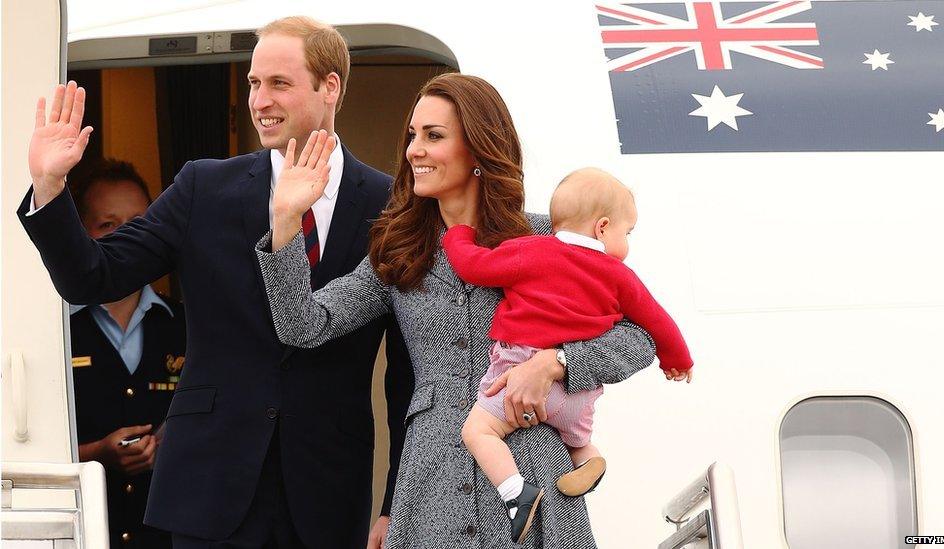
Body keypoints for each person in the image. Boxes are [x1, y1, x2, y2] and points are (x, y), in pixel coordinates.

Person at [18, 16, 413, 549]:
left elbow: (410, 375)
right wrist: (49, 185)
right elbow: (92, 276)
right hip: (210, 488)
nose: (260, 100)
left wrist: (396, 504)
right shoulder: (204, 187)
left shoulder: (389, 206)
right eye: (253, 83)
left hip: (327, 493)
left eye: (279, 83)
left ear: (330, 87)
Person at [256, 73, 657, 548]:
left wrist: (556, 364)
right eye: (412, 136)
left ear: (478, 149)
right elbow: (302, 324)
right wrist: (285, 221)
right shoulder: (400, 251)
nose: (414, 151)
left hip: (534, 469)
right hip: (431, 484)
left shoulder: (548, 238)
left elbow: (640, 337)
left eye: (434, 136)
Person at [443, 167, 694, 542]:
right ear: (603, 227)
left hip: (517, 376)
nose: (627, 244)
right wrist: (678, 359)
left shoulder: (532, 250)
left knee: (478, 430)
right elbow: (656, 321)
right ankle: (587, 458)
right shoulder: (618, 275)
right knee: (574, 439)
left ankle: (516, 493)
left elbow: (474, 266)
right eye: (628, 233)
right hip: (578, 397)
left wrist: (458, 234)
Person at [69, 159, 186, 549]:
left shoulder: (187, 324)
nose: (126, 239)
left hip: (168, 533)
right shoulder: (56, 332)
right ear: (80, 234)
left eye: (139, 224)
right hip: (79, 529)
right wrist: (97, 454)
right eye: (108, 225)